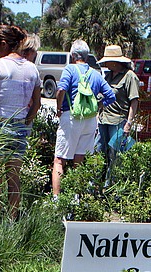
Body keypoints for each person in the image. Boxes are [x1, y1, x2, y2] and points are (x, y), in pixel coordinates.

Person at [0, 25, 41, 218]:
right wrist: (26, 121)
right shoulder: (32, 69)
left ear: (3, 44)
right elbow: (37, 104)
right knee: (14, 176)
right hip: (20, 126)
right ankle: (12, 218)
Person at [52, 40, 116, 195]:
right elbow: (111, 96)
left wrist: (59, 108)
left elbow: (61, 90)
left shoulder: (70, 69)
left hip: (71, 117)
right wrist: (97, 107)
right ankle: (76, 197)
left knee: (59, 160)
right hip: (90, 120)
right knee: (79, 160)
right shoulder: (96, 74)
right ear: (87, 56)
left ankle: (56, 201)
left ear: (73, 55)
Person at [96, 44, 140, 180]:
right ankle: (96, 185)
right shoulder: (107, 76)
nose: (106, 64)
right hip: (103, 120)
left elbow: (134, 101)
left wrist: (129, 123)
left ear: (115, 62)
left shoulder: (129, 76)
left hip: (118, 122)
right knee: (99, 151)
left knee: (115, 156)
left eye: (107, 61)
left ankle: (111, 187)